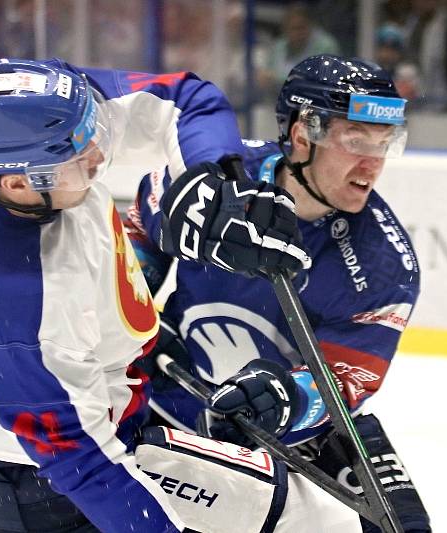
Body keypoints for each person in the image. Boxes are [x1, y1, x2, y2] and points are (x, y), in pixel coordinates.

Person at [0, 57, 367, 533]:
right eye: (77, 153)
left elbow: (185, 99)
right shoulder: (19, 311)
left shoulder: (7, 134)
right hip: (38, 494)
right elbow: (84, 466)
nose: (97, 157)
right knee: (310, 519)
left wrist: (208, 182)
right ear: (20, 182)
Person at [128, 55, 431, 532]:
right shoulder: (219, 182)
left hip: (292, 430)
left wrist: (288, 396)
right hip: (170, 389)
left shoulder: (383, 264)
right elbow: (136, 241)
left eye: (385, 143)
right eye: (355, 140)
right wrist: (132, 315)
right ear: (300, 135)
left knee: (403, 526)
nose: (373, 163)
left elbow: (346, 378)